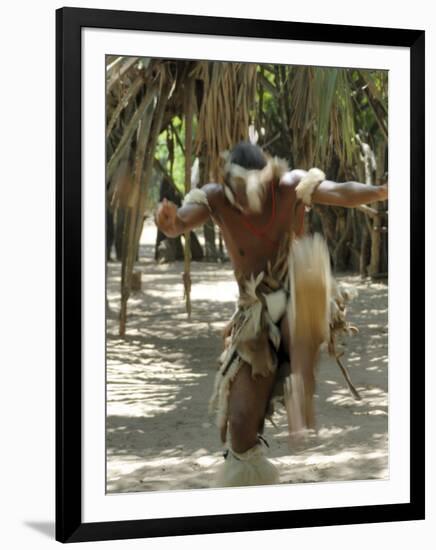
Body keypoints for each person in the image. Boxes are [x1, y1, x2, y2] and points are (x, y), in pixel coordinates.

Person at [155, 142, 388, 488]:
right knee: (241, 424)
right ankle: (250, 493)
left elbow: (340, 191)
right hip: (255, 315)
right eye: (242, 190)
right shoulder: (214, 198)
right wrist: (171, 222)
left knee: (307, 267)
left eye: (258, 188)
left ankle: (301, 386)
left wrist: (381, 191)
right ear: (227, 183)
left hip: (299, 294)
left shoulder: (290, 186)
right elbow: (180, 223)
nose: (251, 198)